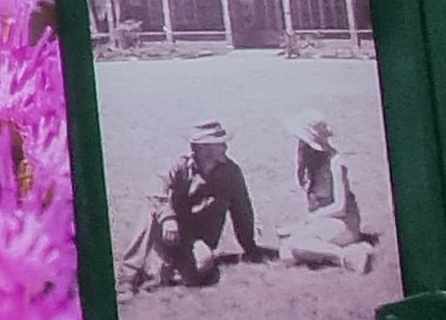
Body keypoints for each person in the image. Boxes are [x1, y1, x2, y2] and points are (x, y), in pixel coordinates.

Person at [125, 119, 265, 289]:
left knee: (199, 270)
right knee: (151, 210)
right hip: (170, 232)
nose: (225, 148)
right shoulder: (179, 166)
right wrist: (168, 218)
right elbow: (155, 190)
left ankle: (166, 268)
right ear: (203, 148)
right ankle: (127, 278)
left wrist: (250, 247)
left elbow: (242, 211)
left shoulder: (231, 172)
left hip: (197, 239)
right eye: (220, 144)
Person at [278, 114, 383, 275]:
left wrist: (308, 221)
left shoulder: (335, 163)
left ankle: (345, 256)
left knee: (295, 245)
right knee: (286, 255)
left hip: (343, 222)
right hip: (326, 221)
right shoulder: (311, 164)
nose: (299, 145)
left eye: (302, 140)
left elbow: (340, 207)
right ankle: (353, 248)